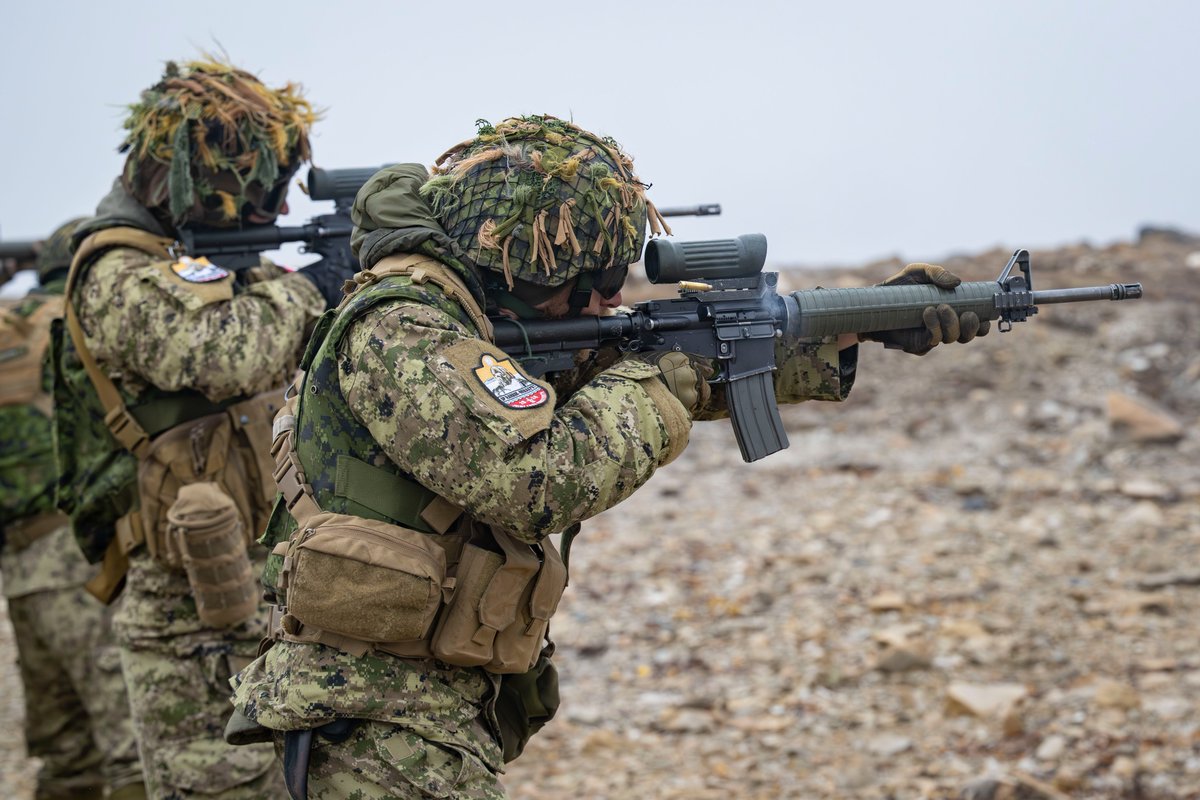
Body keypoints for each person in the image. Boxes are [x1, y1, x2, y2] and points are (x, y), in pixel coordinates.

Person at [230, 115, 987, 799]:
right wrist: (662, 373)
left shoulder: (484, 322)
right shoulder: (405, 329)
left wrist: (861, 326)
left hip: (408, 710)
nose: (607, 302)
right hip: (364, 715)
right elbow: (533, 479)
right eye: (592, 283)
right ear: (523, 268)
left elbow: (651, 374)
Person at [55, 59, 354, 799]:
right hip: (184, 606)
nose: (261, 212)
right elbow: (219, 354)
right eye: (248, 193)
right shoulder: (117, 269)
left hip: (247, 586)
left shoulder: (188, 262)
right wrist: (312, 286)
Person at [1, 219, 146, 800]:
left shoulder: (10, 324)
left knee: (64, 754)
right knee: (127, 747)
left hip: (22, 569)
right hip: (86, 555)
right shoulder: (83, 320)